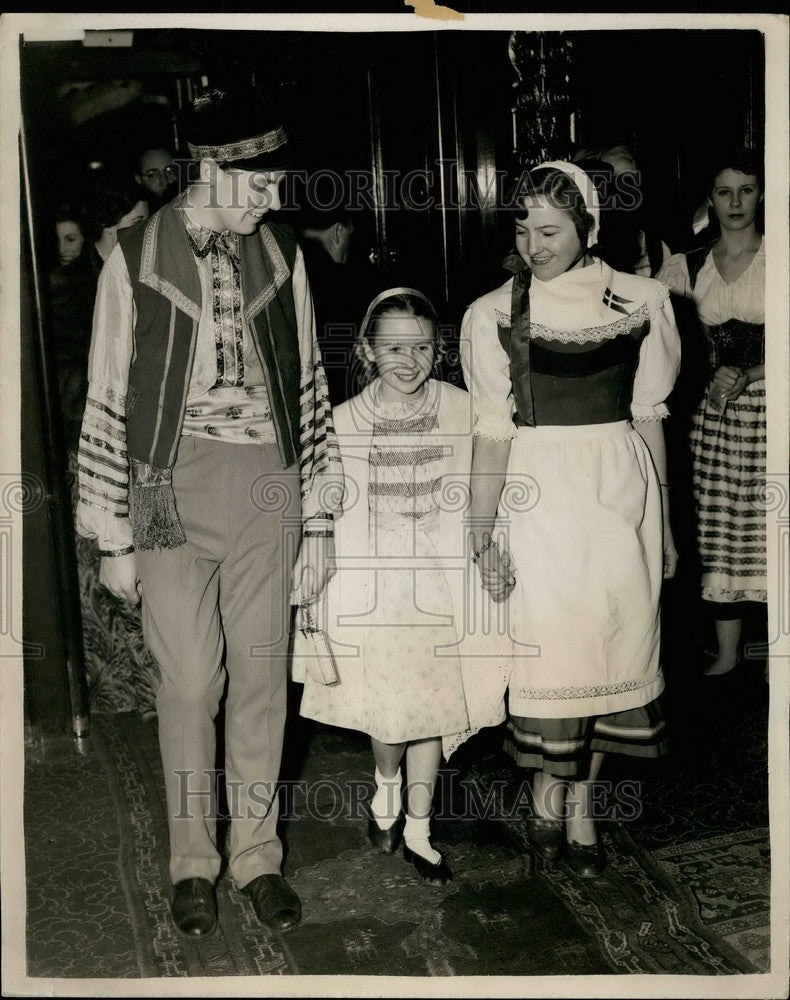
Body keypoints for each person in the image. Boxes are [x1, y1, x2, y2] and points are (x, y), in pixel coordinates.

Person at [75, 89, 342, 938]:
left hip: (268, 481)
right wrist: (113, 533)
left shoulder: (283, 254)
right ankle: (193, 863)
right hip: (162, 485)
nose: (274, 199)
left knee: (263, 680)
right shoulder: (134, 254)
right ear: (214, 167)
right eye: (259, 183)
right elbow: (107, 390)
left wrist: (321, 520)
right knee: (189, 681)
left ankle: (256, 858)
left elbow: (310, 387)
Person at [460, 161, 680, 878]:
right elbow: (491, 434)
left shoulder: (644, 298)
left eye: (549, 229)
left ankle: (582, 804)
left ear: (589, 226)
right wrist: (482, 535)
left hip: (620, 499)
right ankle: (547, 798)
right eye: (522, 228)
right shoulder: (492, 313)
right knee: (555, 656)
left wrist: (668, 524)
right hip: (538, 498)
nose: (533, 244)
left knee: (615, 650)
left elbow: (649, 415)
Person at [294, 288, 507, 886]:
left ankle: (419, 825)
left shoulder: (466, 410)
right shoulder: (343, 422)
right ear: (367, 350)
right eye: (392, 348)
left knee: (434, 711)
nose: (407, 361)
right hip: (377, 588)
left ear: (437, 351)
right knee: (390, 715)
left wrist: (489, 548)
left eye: (420, 347)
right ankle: (385, 784)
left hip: (442, 583)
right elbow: (328, 508)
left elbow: (490, 482)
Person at [658, 150, 765, 677]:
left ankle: (778, 651)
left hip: (773, 410)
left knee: (769, 523)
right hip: (715, 415)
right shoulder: (687, 265)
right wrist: (709, 372)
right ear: (710, 199)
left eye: (746, 189)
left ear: (761, 193)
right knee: (719, 525)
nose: (736, 202)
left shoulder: (781, 257)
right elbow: (665, 346)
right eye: (724, 192)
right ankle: (727, 651)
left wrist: (752, 373)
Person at [48, 203, 99, 448]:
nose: (62, 249)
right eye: (58, 240)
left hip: (75, 397)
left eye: (70, 239)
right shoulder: (60, 279)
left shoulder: (67, 283)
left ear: (85, 238)